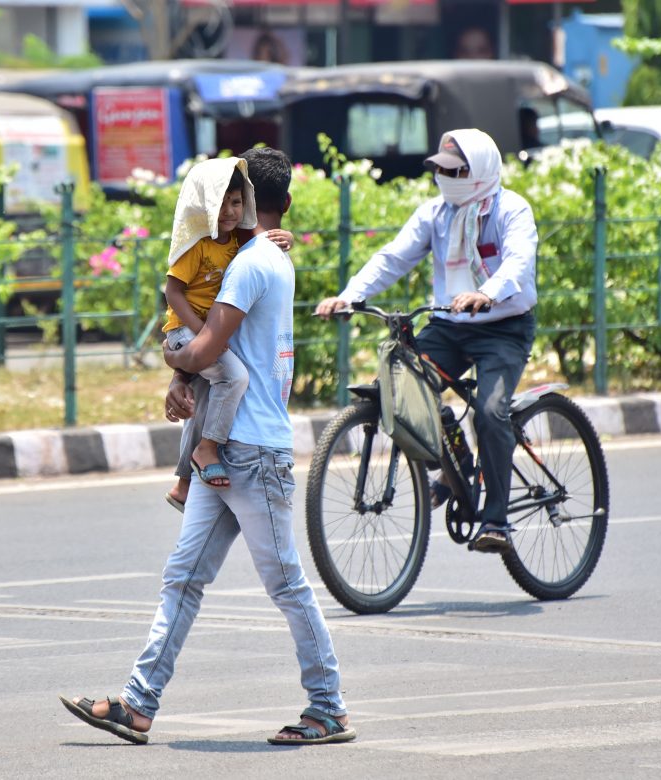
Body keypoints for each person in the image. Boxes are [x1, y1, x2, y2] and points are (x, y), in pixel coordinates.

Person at [60, 147, 355, 746]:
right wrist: (183, 376)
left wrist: (174, 368)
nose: (228, 208)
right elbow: (219, 351)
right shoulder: (260, 257)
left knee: (287, 586)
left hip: (254, 451)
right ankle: (138, 705)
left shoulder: (252, 264)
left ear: (244, 200)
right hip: (229, 450)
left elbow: (207, 347)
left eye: (234, 198)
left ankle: (329, 708)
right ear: (285, 205)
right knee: (182, 578)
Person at [315, 129, 537, 554]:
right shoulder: (436, 213)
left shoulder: (512, 210)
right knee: (402, 390)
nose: (445, 177)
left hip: (504, 326)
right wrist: (350, 296)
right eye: (440, 169)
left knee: (490, 413)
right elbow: (393, 257)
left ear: (483, 170)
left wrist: (487, 292)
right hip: (451, 323)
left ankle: (496, 521)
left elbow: (519, 262)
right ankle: (458, 468)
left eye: (456, 171)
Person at [162, 157, 292, 512]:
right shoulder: (199, 245)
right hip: (189, 331)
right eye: (221, 203)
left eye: (236, 202)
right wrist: (196, 339)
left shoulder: (242, 247)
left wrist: (286, 237)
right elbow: (173, 292)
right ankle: (206, 449)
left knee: (203, 392)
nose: (230, 212)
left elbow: (260, 236)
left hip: (201, 339)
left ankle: (184, 483)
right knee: (234, 377)